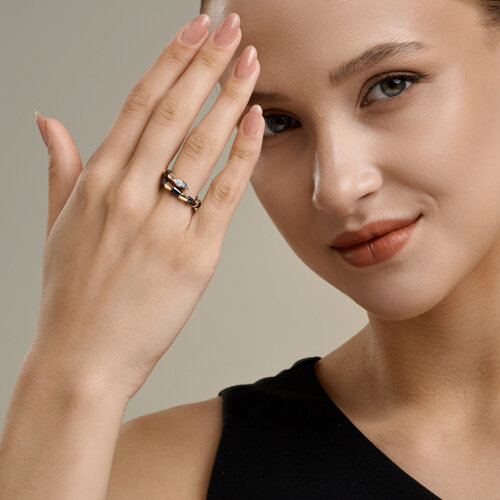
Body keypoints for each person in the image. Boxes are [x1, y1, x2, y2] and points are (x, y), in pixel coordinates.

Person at [1, 0, 499, 498]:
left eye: (391, 85)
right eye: (277, 122)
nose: (335, 187)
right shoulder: (163, 476)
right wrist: (74, 372)